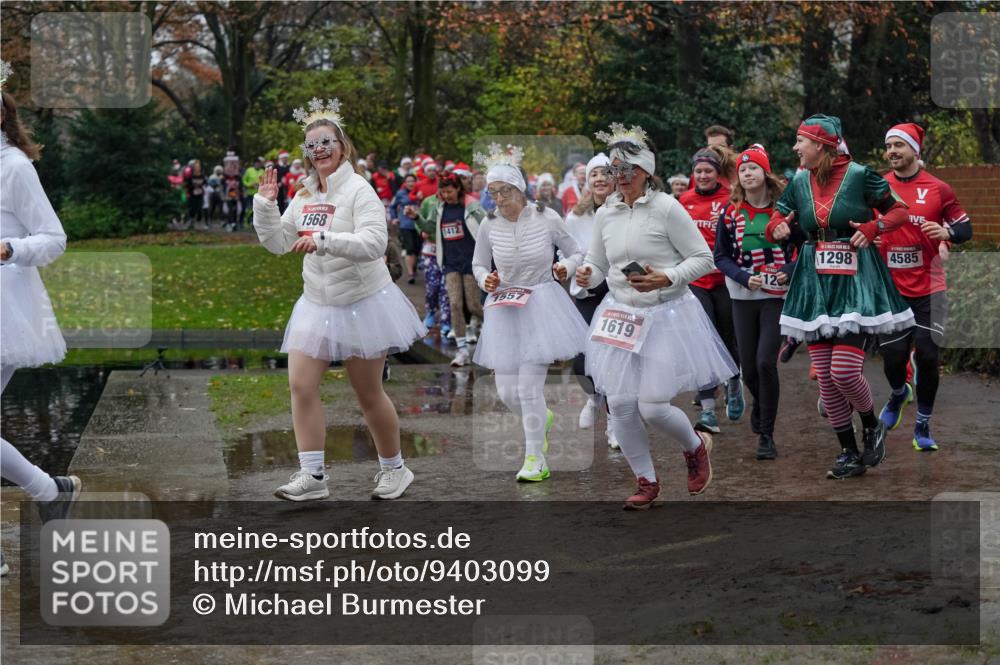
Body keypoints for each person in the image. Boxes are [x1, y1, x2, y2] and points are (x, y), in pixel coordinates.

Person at [253, 97, 426, 501]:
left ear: (342, 146)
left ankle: (394, 469)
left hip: (363, 301)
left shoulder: (359, 190)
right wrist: (265, 207)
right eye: (311, 146)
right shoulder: (303, 196)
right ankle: (312, 476)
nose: (319, 151)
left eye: (326, 142)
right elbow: (280, 243)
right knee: (300, 385)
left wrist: (324, 241)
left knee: (367, 393)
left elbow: (374, 243)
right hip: (316, 302)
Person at [576, 123, 736, 510]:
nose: (620, 179)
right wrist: (585, 274)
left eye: (627, 171)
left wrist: (669, 276)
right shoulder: (606, 214)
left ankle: (695, 446)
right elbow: (597, 263)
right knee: (621, 405)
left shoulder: (667, 207)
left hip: (666, 315)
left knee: (652, 405)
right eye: (614, 172)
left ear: (646, 171)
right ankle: (646, 481)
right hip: (620, 314)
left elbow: (703, 258)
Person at [767, 114, 914, 479]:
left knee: (845, 371)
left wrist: (872, 225)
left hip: (855, 282)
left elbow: (899, 210)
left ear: (821, 145)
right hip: (813, 283)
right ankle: (848, 451)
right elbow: (775, 219)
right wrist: (778, 227)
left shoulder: (862, 175)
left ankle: (871, 426)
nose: (795, 148)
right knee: (828, 379)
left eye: (800, 141)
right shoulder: (799, 180)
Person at [472, 144, 589, 482]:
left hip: (542, 304)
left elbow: (576, 250)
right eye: (493, 191)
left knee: (527, 390)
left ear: (519, 188)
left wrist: (565, 266)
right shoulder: (488, 224)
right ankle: (542, 418)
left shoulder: (546, 216)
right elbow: (479, 263)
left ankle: (536, 458)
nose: (499, 197)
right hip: (505, 308)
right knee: (508, 392)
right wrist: (486, 278)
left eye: (504, 190)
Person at [0, 86, 82, 550]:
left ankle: (49, 491)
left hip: (4, 308)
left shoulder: (14, 166)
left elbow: (53, 238)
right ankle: (50, 491)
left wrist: (10, 248)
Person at [876, 123, 972, 451]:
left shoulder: (938, 189)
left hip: (930, 286)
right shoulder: (878, 187)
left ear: (915, 151)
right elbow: (863, 221)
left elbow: (964, 226)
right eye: (888, 146)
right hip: (890, 289)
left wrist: (948, 234)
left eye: (898, 146)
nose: (891, 152)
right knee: (892, 358)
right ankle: (900, 393)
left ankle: (923, 424)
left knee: (929, 356)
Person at [713, 145, 794, 460]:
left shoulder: (784, 210)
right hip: (743, 296)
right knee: (748, 370)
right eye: (743, 169)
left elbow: (804, 249)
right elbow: (720, 256)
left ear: (765, 173)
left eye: (754, 168)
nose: (747, 173)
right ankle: (760, 404)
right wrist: (744, 277)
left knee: (764, 362)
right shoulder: (731, 212)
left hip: (776, 296)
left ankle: (767, 436)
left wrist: (788, 271)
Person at [679, 149, 744, 433]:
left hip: (724, 280)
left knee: (729, 338)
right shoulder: (684, 201)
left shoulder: (731, 198)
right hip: (696, 281)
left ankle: (733, 381)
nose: (703, 176)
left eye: (708, 171)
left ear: (718, 173)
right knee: (702, 339)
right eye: (698, 171)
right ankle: (707, 411)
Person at [565, 153, 619, 449]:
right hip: (586, 291)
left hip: (616, 291)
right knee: (580, 361)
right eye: (594, 175)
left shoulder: (624, 210)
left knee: (611, 360)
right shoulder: (576, 216)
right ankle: (593, 396)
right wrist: (572, 269)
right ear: (588, 182)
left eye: (605, 173)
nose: (600, 179)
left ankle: (614, 424)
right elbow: (566, 253)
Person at [417, 173, 486, 367]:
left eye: (449, 191)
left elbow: (487, 227)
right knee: (455, 303)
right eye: (443, 192)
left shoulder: (472, 205)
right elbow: (429, 227)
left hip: (471, 262)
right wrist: (416, 218)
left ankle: (498, 326)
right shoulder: (439, 207)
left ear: (458, 189)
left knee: (473, 305)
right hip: (449, 262)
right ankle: (462, 350)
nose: (446, 195)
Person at [391, 173, 421, 283]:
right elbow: (392, 207)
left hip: (419, 225)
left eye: (412, 181)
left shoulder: (420, 192)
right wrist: (394, 218)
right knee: (410, 249)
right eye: (408, 181)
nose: (411, 183)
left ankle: (413, 268)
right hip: (405, 225)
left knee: (417, 250)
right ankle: (410, 273)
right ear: (405, 183)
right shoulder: (400, 193)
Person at [242, 156, 264, 228]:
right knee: (249, 208)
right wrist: (249, 185)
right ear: (254, 164)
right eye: (256, 163)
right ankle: (245, 222)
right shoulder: (249, 170)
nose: (257, 165)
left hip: (259, 194)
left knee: (257, 209)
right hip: (250, 193)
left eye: (259, 164)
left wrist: (260, 184)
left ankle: (254, 223)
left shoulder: (262, 171)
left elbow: (264, 181)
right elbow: (244, 180)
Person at [184, 159, 206, 227]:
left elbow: (205, 183)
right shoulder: (190, 176)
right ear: (193, 168)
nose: (197, 168)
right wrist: (188, 191)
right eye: (196, 167)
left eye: (198, 167)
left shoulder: (202, 176)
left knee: (199, 208)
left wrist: (202, 187)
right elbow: (186, 185)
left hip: (200, 194)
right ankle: (191, 221)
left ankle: (197, 218)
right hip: (192, 194)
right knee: (192, 208)